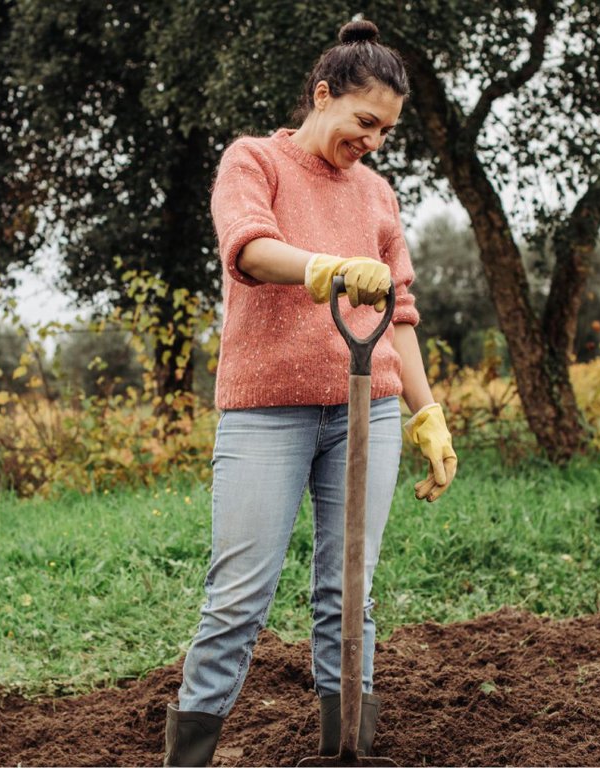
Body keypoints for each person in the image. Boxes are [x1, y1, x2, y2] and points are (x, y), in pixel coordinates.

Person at [163, 18, 458, 766]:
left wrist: (426, 411)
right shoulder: (254, 161)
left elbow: (401, 315)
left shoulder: (379, 193)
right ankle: (188, 759)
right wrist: (324, 267)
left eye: (387, 130)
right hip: (268, 412)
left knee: (348, 592)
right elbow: (250, 250)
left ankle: (343, 750)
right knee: (239, 596)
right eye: (365, 121)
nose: (374, 140)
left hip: (370, 410)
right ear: (322, 95)